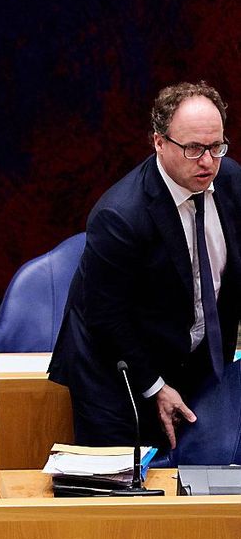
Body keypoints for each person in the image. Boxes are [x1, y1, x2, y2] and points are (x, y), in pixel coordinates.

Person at [49, 81, 240, 449]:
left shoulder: (230, 181)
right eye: (193, 148)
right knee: (122, 491)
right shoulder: (120, 215)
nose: (207, 161)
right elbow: (106, 318)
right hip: (114, 372)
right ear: (158, 142)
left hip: (190, 356)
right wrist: (155, 386)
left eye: (216, 147)